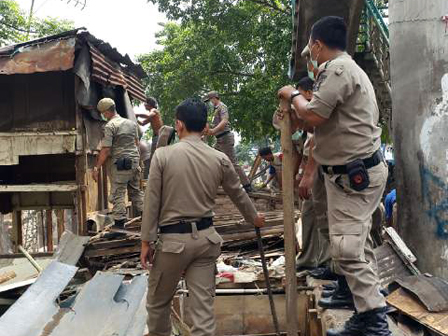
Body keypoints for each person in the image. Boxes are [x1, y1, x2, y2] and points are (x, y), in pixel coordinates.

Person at [278, 16, 391, 336]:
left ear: (317, 44)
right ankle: (350, 290)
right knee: (350, 240)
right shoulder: (345, 69)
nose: (309, 57)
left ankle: (373, 319)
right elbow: (320, 123)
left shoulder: (338, 70)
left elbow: (312, 113)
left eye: (311, 48)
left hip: (353, 174)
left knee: (347, 248)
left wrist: (291, 93)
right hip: (350, 172)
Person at [140, 98, 265, 336]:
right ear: (205, 125)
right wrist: (254, 219)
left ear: (179, 124)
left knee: (158, 304)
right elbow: (238, 193)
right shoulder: (219, 158)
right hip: (206, 242)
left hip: (172, 244)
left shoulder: (163, 156)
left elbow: (151, 201)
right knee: (203, 314)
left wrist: (146, 241)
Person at [93, 98, 144, 228]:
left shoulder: (110, 126)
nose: (104, 116)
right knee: (136, 192)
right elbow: (137, 144)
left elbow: (105, 150)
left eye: (103, 114)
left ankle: (119, 226)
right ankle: (148, 218)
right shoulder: (131, 124)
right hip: (134, 162)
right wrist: (138, 163)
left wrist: (96, 168)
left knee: (118, 194)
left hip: (121, 164)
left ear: (106, 112)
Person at [203, 91, 252, 193]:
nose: (210, 103)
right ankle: (214, 183)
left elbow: (224, 121)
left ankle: (247, 185)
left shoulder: (222, 106)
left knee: (233, 163)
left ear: (214, 98)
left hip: (225, 138)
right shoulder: (215, 110)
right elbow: (213, 126)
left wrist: (213, 131)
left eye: (210, 100)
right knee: (211, 158)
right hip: (219, 140)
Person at [135, 97, 164, 175]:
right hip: (156, 137)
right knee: (153, 157)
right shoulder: (151, 116)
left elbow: (147, 116)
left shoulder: (154, 111)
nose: (144, 106)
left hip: (158, 136)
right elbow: (142, 123)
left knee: (155, 157)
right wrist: (135, 119)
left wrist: (137, 114)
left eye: (145, 104)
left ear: (148, 105)